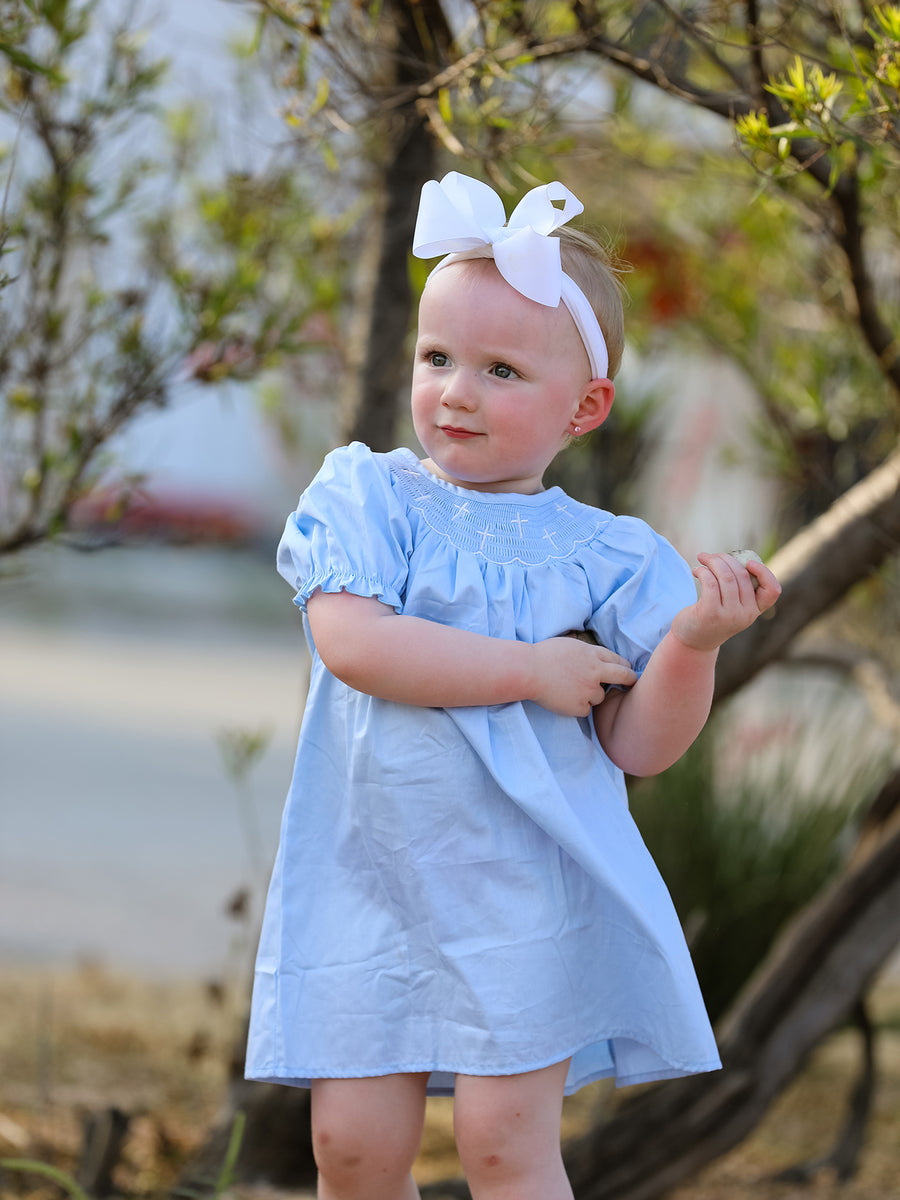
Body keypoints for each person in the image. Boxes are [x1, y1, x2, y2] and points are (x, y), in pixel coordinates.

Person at [245, 172, 781, 1200]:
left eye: (499, 370)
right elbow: (355, 644)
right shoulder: (367, 498)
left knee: (503, 1146)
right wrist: (530, 671)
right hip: (368, 880)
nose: (456, 391)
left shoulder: (607, 557)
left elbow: (640, 748)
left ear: (585, 407)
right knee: (351, 1151)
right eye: (438, 358)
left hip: (522, 890)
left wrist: (694, 646)